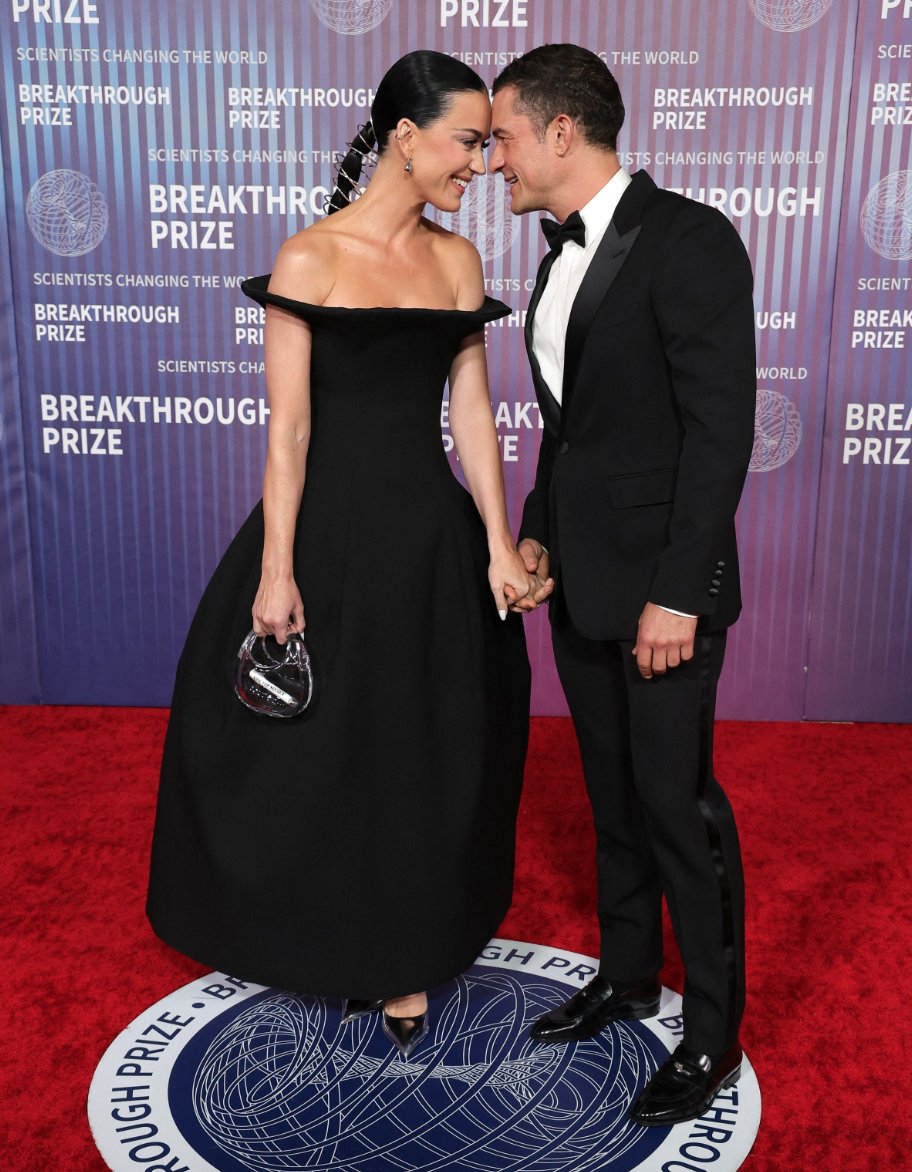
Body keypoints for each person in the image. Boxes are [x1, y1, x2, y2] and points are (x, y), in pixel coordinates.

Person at [147, 49, 540, 1060]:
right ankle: (318, 931)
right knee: (319, 748)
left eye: (493, 143)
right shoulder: (309, 259)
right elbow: (288, 430)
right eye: (468, 141)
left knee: (421, 749)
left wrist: (498, 540)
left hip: (428, 549)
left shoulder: (458, 263)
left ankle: (406, 949)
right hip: (324, 540)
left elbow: (472, 409)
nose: (484, 163)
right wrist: (277, 569)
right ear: (404, 140)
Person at [490, 44, 756, 1125]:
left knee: (675, 803)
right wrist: (539, 533)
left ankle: (711, 1030)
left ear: (562, 131)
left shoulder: (690, 239)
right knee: (609, 797)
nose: (491, 155)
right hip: (587, 584)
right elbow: (573, 430)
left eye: (503, 133)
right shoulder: (555, 257)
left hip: (662, 597)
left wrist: (681, 592)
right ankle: (629, 974)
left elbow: (718, 433)